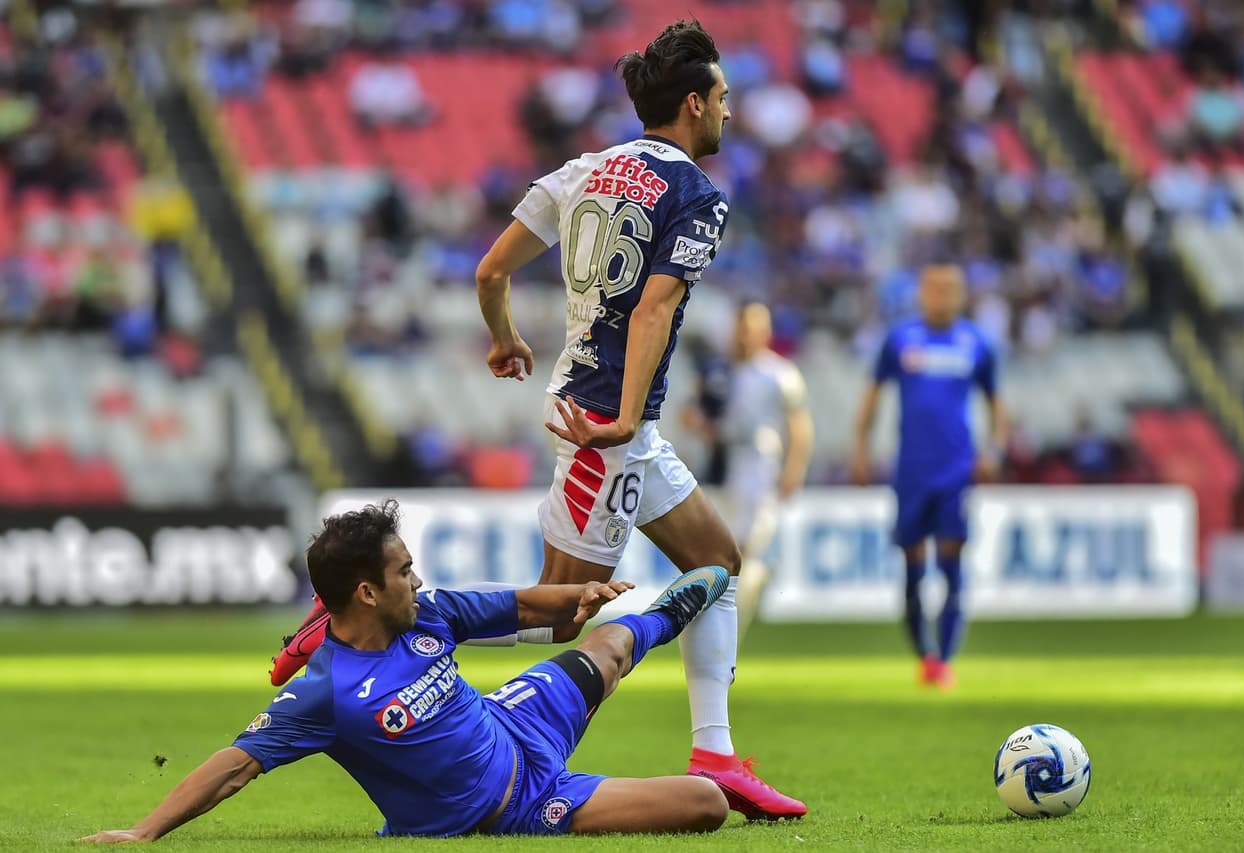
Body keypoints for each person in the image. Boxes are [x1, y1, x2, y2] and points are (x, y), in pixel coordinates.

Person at [472, 19, 805, 819]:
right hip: (606, 427)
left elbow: (490, 271)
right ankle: (390, 623)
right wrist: (622, 419)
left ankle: (716, 754)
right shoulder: (696, 192)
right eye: (723, 98)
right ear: (694, 104)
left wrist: (507, 338)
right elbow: (655, 306)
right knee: (562, 616)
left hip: (613, 418)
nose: (730, 111)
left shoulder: (584, 169)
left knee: (715, 563)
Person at [82, 501, 733, 842]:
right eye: (403, 571)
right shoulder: (327, 693)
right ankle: (662, 619)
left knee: (611, 646)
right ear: (366, 592)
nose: (416, 579)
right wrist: (142, 832)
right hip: (519, 805)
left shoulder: (430, 613)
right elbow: (234, 763)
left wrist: (581, 596)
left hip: (512, 719)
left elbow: (521, 603)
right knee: (705, 801)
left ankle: (669, 611)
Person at [851, 263, 1006, 689]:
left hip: (957, 470)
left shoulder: (977, 342)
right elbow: (873, 396)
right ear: (921, 292)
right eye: (934, 288)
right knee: (913, 567)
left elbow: (996, 403)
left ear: (962, 294)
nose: (942, 295)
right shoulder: (901, 339)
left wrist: (995, 449)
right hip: (912, 470)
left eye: (951, 288)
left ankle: (947, 657)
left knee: (952, 563)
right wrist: (861, 449)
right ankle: (926, 656)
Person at [686, 302, 813, 638]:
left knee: (746, 547)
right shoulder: (717, 370)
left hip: (759, 467)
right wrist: (704, 429)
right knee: (723, 552)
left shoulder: (779, 374)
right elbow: (689, 413)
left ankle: (731, 627)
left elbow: (798, 426)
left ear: (765, 332)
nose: (745, 334)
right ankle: (726, 618)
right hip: (719, 466)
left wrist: (793, 471)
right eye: (741, 326)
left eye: (753, 327)